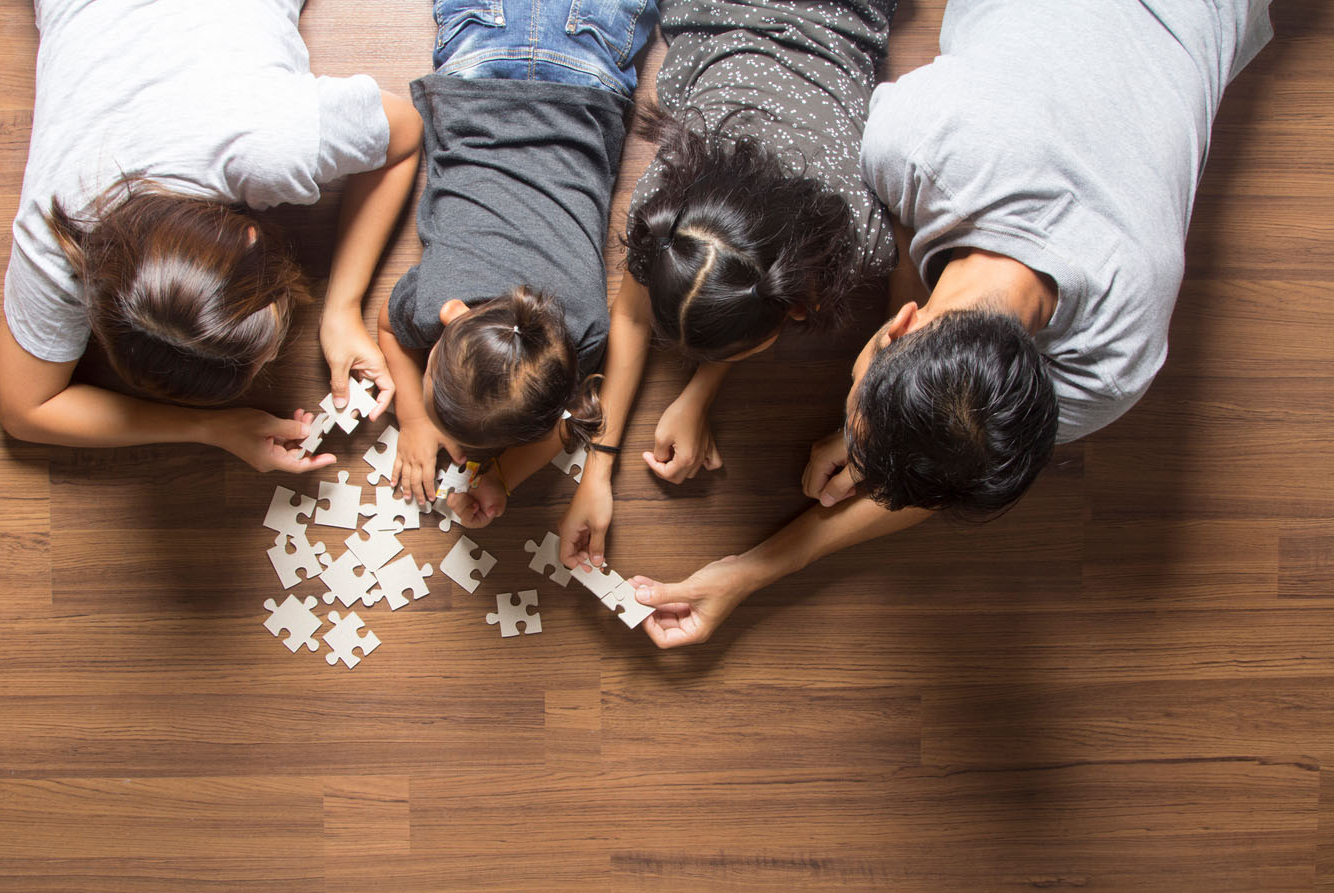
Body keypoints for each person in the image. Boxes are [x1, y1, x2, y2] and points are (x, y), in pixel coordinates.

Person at [630, 0, 1275, 647]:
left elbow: (952, 472)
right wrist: (869, 430)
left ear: (903, 323)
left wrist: (754, 568)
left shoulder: (1111, 363)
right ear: (898, 324)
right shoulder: (913, 139)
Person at [0, 0, 422, 473]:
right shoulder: (59, 238)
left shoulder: (270, 146)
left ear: (252, 236)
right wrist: (212, 428)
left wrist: (342, 307)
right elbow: (23, 411)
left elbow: (404, 131)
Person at [559, 0, 899, 572]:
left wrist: (701, 390)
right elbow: (634, 317)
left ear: (796, 306)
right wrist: (598, 472)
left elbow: (650, 312)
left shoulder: (860, 237)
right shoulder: (666, 208)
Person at [377, 0, 660, 527]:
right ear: (452, 315)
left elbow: (567, 418)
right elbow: (388, 328)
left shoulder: (582, 331)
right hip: (478, 65)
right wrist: (419, 420)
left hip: (588, 79)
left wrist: (485, 466)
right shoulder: (437, 297)